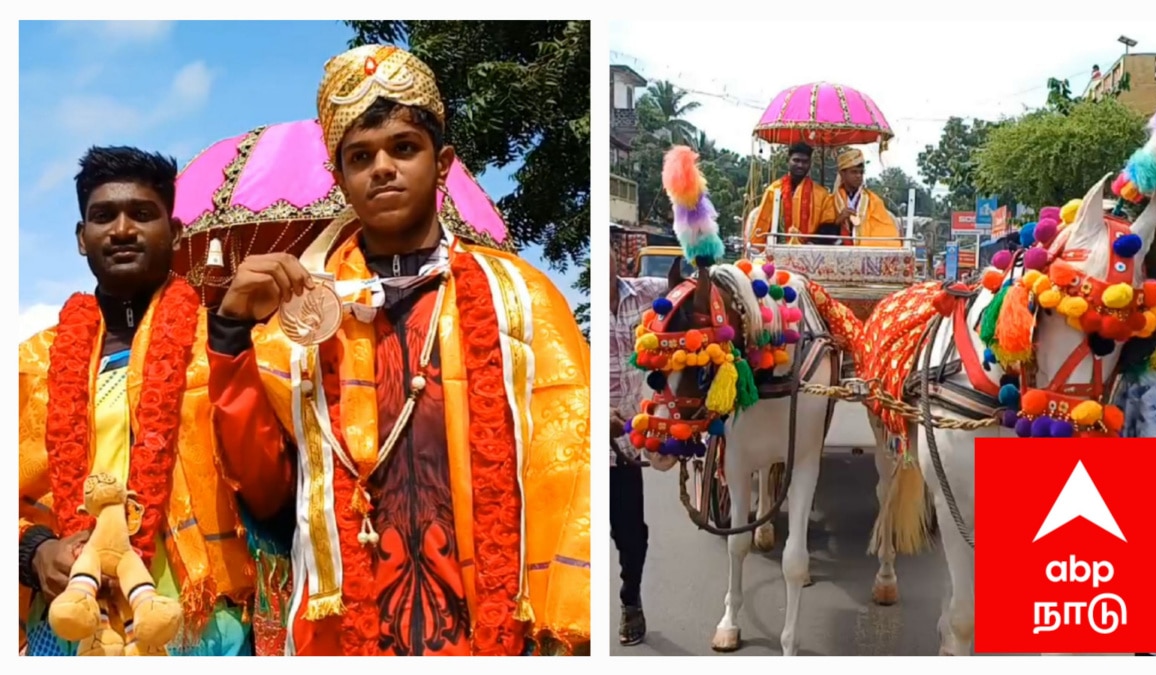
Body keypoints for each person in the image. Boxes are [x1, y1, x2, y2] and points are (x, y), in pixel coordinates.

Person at [204, 45, 591, 657]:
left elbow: (568, 475)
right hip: (348, 633)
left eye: (403, 148)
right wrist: (229, 334)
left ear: (443, 164)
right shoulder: (302, 319)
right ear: (339, 180)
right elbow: (268, 494)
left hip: (494, 628)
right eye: (361, 157)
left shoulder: (522, 297)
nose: (382, 167)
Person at [17, 146, 257, 656]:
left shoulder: (222, 345)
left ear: (173, 231)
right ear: (82, 239)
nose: (122, 229)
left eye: (142, 214)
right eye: (103, 216)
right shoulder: (31, 362)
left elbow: (267, 473)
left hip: (198, 616)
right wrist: (33, 552)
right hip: (70, 611)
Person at [608, 249, 668, 647]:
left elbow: (689, 290)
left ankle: (631, 601)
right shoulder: (567, 310)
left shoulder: (647, 292)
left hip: (629, 444)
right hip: (581, 441)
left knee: (631, 534)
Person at [745, 142, 837, 248]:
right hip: (777, 250)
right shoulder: (773, 191)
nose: (800, 165)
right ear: (788, 161)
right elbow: (763, 223)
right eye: (796, 160)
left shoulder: (822, 195)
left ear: (810, 163)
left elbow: (828, 226)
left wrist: (810, 245)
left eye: (805, 162)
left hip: (811, 252)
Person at [831, 148, 901, 248]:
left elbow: (885, 234)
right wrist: (838, 221)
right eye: (854, 172)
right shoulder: (830, 201)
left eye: (861, 172)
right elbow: (820, 236)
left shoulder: (874, 201)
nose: (859, 176)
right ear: (842, 174)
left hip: (865, 256)